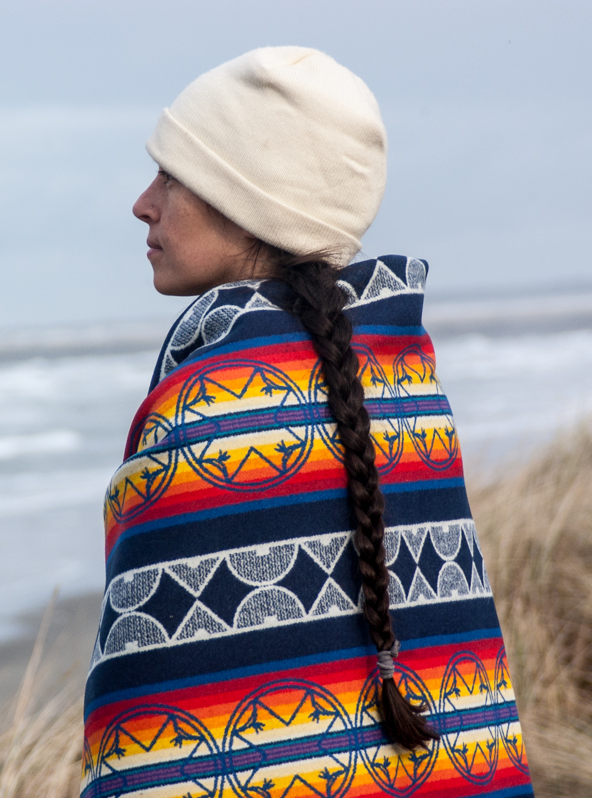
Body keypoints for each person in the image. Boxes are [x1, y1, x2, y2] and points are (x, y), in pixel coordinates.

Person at [82, 47, 533, 798]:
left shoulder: (208, 408)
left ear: (244, 198)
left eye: (171, 176)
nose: (143, 203)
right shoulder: (402, 377)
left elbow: (152, 718)